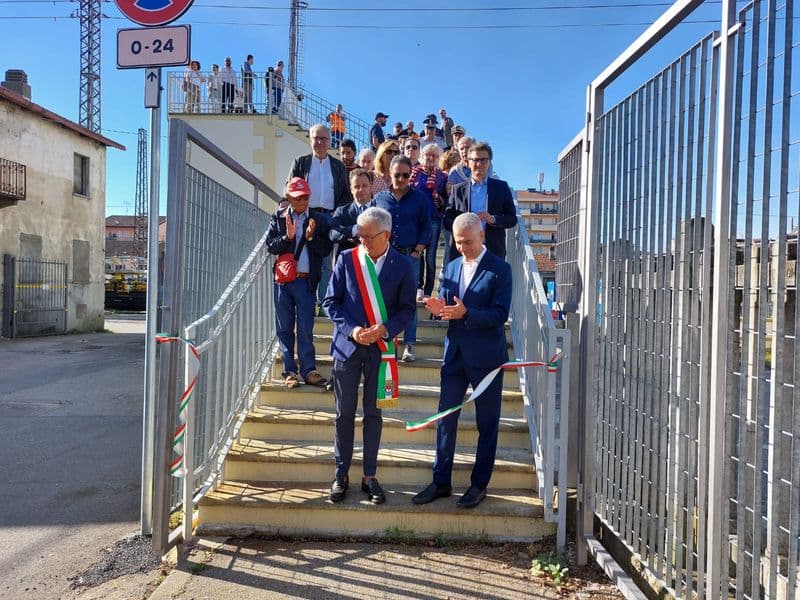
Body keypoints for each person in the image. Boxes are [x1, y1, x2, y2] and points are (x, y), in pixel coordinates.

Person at [413, 212, 512, 509]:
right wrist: (436, 306)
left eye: (467, 242)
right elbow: (446, 302)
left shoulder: (501, 269)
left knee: (487, 423)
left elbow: (499, 315)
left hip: (487, 358)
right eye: (457, 243)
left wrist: (467, 313)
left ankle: (479, 485)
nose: (462, 248)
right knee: (445, 420)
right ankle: (440, 481)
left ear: (481, 235)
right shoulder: (453, 265)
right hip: (455, 355)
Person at [323, 206, 417, 504]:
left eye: (368, 236)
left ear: (386, 234)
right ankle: (341, 474)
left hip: (380, 349)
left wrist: (385, 329)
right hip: (347, 347)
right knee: (343, 414)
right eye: (359, 235)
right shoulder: (347, 259)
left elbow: (408, 310)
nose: (362, 241)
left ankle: (369, 476)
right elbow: (330, 301)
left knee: (373, 414)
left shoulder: (402, 265)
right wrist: (352, 330)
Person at [266, 177, 333, 389]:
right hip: (283, 282)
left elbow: (325, 250)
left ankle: (308, 370)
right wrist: (288, 237)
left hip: (306, 281)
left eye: (305, 197)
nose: (302, 201)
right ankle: (289, 371)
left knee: (305, 327)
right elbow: (271, 246)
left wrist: (311, 238)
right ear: (289, 198)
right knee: (284, 328)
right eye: (297, 198)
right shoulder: (278, 217)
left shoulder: (318, 219)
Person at [287, 124, 352, 307]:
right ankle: (306, 300)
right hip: (306, 215)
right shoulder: (301, 162)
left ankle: (323, 302)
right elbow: (289, 187)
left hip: (329, 217)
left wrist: (337, 213)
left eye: (324, 139)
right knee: (305, 259)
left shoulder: (338, 166)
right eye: (316, 138)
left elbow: (346, 195)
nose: (320, 142)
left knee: (326, 263)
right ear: (310, 139)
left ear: (329, 141)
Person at [374, 155, 431, 362]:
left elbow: (427, 226)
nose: (401, 178)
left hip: (410, 256)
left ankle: (409, 344)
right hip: (386, 256)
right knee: (383, 298)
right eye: (397, 174)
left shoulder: (420, 199)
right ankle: (387, 341)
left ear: (411, 176)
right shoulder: (379, 198)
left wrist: (417, 250)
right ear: (390, 173)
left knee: (408, 302)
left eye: (405, 175)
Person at [444, 142, 517, 260]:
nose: (479, 164)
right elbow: (447, 220)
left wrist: (492, 219)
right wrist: (463, 224)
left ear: (489, 163)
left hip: (492, 251)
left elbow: (512, 219)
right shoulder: (457, 190)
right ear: (468, 162)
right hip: (463, 252)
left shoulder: (502, 187)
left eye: (484, 160)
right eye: (475, 160)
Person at [411, 144, 448, 300]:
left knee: (431, 257)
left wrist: (440, 200)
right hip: (416, 219)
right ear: (422, 156)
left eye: (434, 156)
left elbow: (446, 200)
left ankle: (428, 291)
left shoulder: (442, 177)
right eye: (428, 155)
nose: (431, 158)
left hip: (433, 218)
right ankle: (418, 287)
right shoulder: (414, 173)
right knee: (417, 253)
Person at [330, 168, 376, 257]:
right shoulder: (342, 211)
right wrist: (354, 229)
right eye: (357, 186)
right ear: (351, 189)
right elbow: (333, 234)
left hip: (374, 262)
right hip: (350, 262)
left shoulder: (380, 210)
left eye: (364, 185)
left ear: (370, 186)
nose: (361, 190)